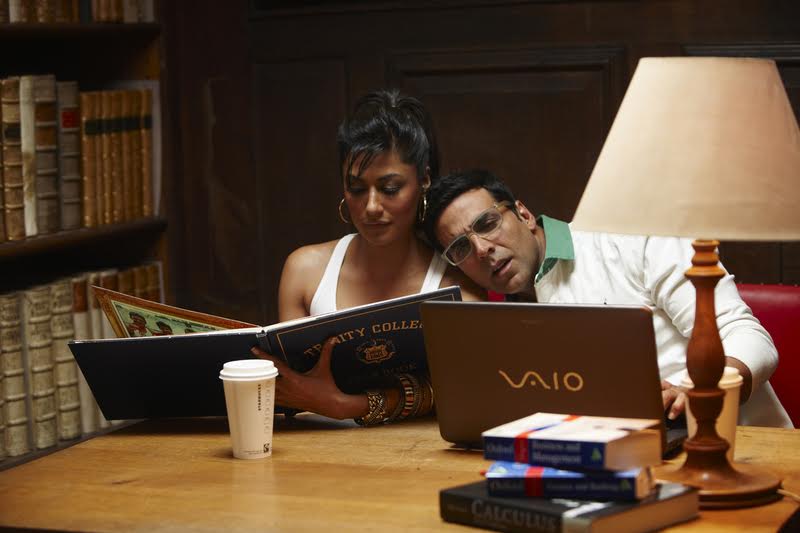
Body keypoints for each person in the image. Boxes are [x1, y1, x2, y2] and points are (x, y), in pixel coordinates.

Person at [423, 168, 792, 428]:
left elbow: (748, 337)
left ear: (524, 214)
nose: (482, 249)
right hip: (622, 463)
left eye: (487, 224)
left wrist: (698, 388)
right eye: (461, 248)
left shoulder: (630, 237)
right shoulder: (499, 321)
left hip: (739, 447)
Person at [252, 89, 485, 425]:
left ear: (423, 179)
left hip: (420, 451)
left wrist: (351, 405)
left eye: (390, 189)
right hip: (317, 448)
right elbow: (294, 392)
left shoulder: (456, 287)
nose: (372, 207)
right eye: (357, 188)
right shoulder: (306, 271)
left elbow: (465, 390)